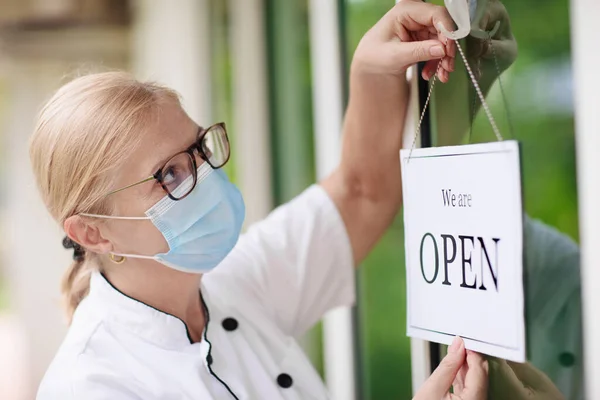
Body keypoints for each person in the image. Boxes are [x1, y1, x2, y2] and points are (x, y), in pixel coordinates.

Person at [31, 1, 488, 399]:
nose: (205, 178)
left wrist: (372, 70)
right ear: (92, 231)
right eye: (169, 174)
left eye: (200, 150)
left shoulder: (232, 283)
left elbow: (362, 195)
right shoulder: (90, 387)